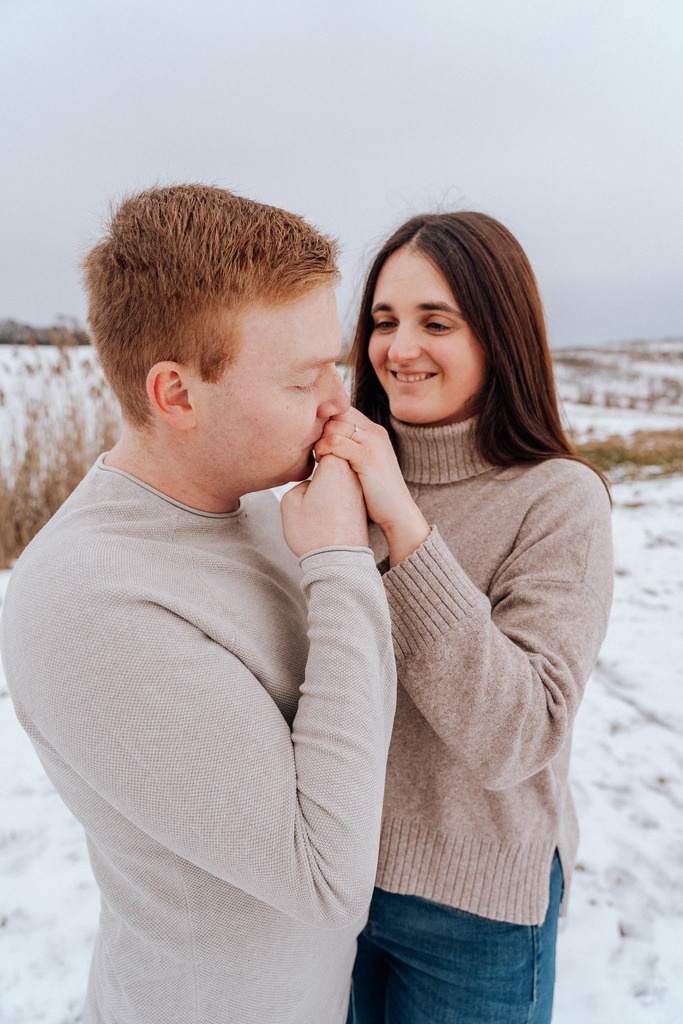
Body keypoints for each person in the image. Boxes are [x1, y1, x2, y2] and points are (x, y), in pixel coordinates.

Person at [0, 184, 397, 1024]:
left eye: (334, 363)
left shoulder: (261, 504)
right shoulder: (84, 599)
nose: (338, 401)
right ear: (176, 395)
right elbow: (325, 881)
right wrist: (338, 562)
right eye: (301, 380)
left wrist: (378, 539)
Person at [314, 211, 614, 1024]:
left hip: (474, 911)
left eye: (433, 321)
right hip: (327, 886)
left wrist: (404, 527)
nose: (397, 348)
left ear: (499, 336)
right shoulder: (334, 481)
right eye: (382, 320)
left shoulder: (557, 499)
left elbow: (517, 735)